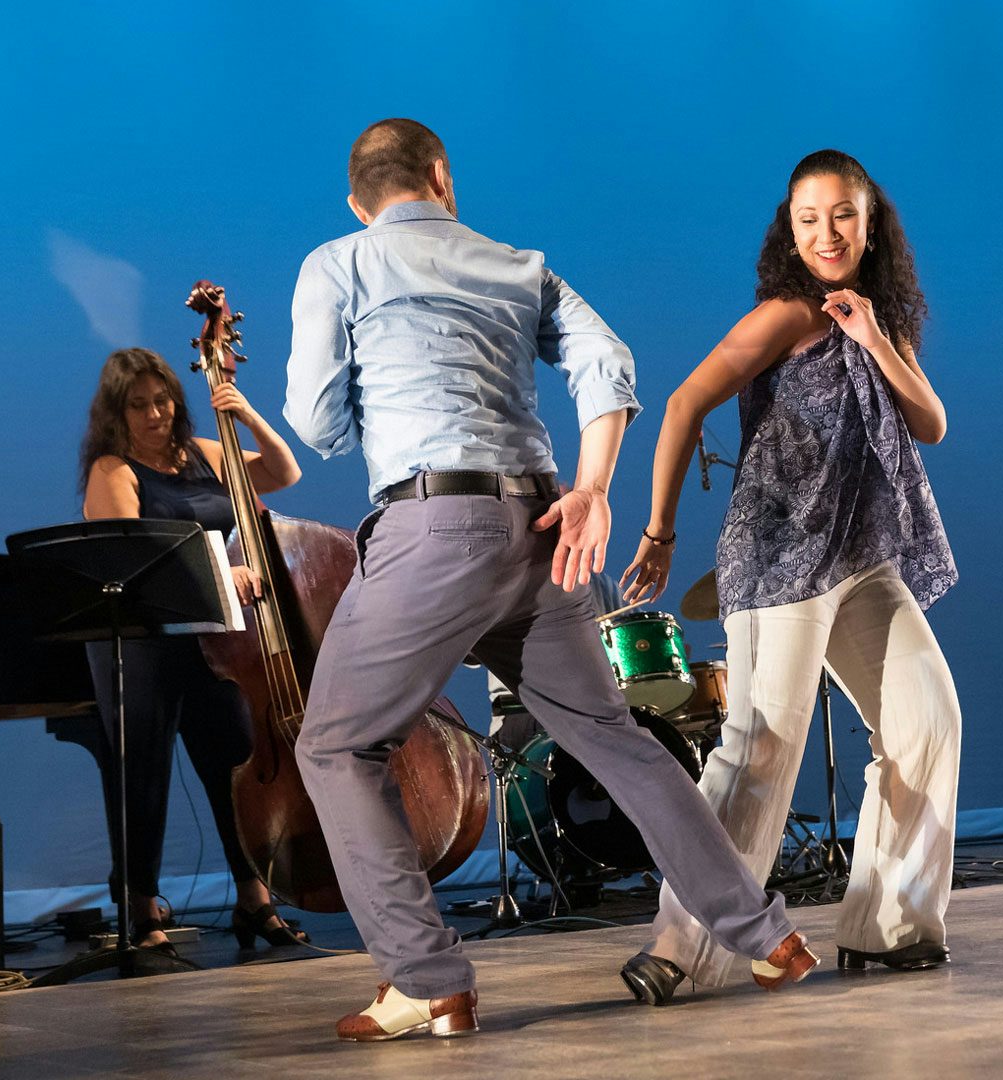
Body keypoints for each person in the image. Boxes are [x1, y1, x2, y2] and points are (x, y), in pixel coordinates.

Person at [284, 118, 813, 1043]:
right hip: (542, 526)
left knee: (334, 749)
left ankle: (427, 980)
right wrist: (594, 490)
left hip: (433, 526)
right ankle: (766, 936)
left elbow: (317, 422)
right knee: (619, 742)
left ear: (357, 199)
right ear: (441, 179)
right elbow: (607, 364)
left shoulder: (339, 263)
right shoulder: (518, 264)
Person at [616, 149, 961, 1005]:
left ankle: (889, 927)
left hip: (859, 555)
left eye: (841, 214)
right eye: (808, 218)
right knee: (762, 745)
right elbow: (685, 402)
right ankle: (682, 944)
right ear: (790, 228)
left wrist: (873, 336)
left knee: (928, 721)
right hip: (777, 558)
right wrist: (659, 531)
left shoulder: (877, 322)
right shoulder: (783, 315)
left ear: (869, 220)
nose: (826, 232)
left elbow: (932, 423)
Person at [78, 346, 309, 951]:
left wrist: (247, 413)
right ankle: (141, 910)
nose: (155, 414)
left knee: (234, 763)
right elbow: (135, 555)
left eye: (162, 400)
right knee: (143, 773)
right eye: (139, 405)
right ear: (116, 412)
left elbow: (284, 474)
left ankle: (254, 898)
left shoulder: (207, 455)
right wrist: (214, 567)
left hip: (215, 643)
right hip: (142, 644)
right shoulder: (113, 471)